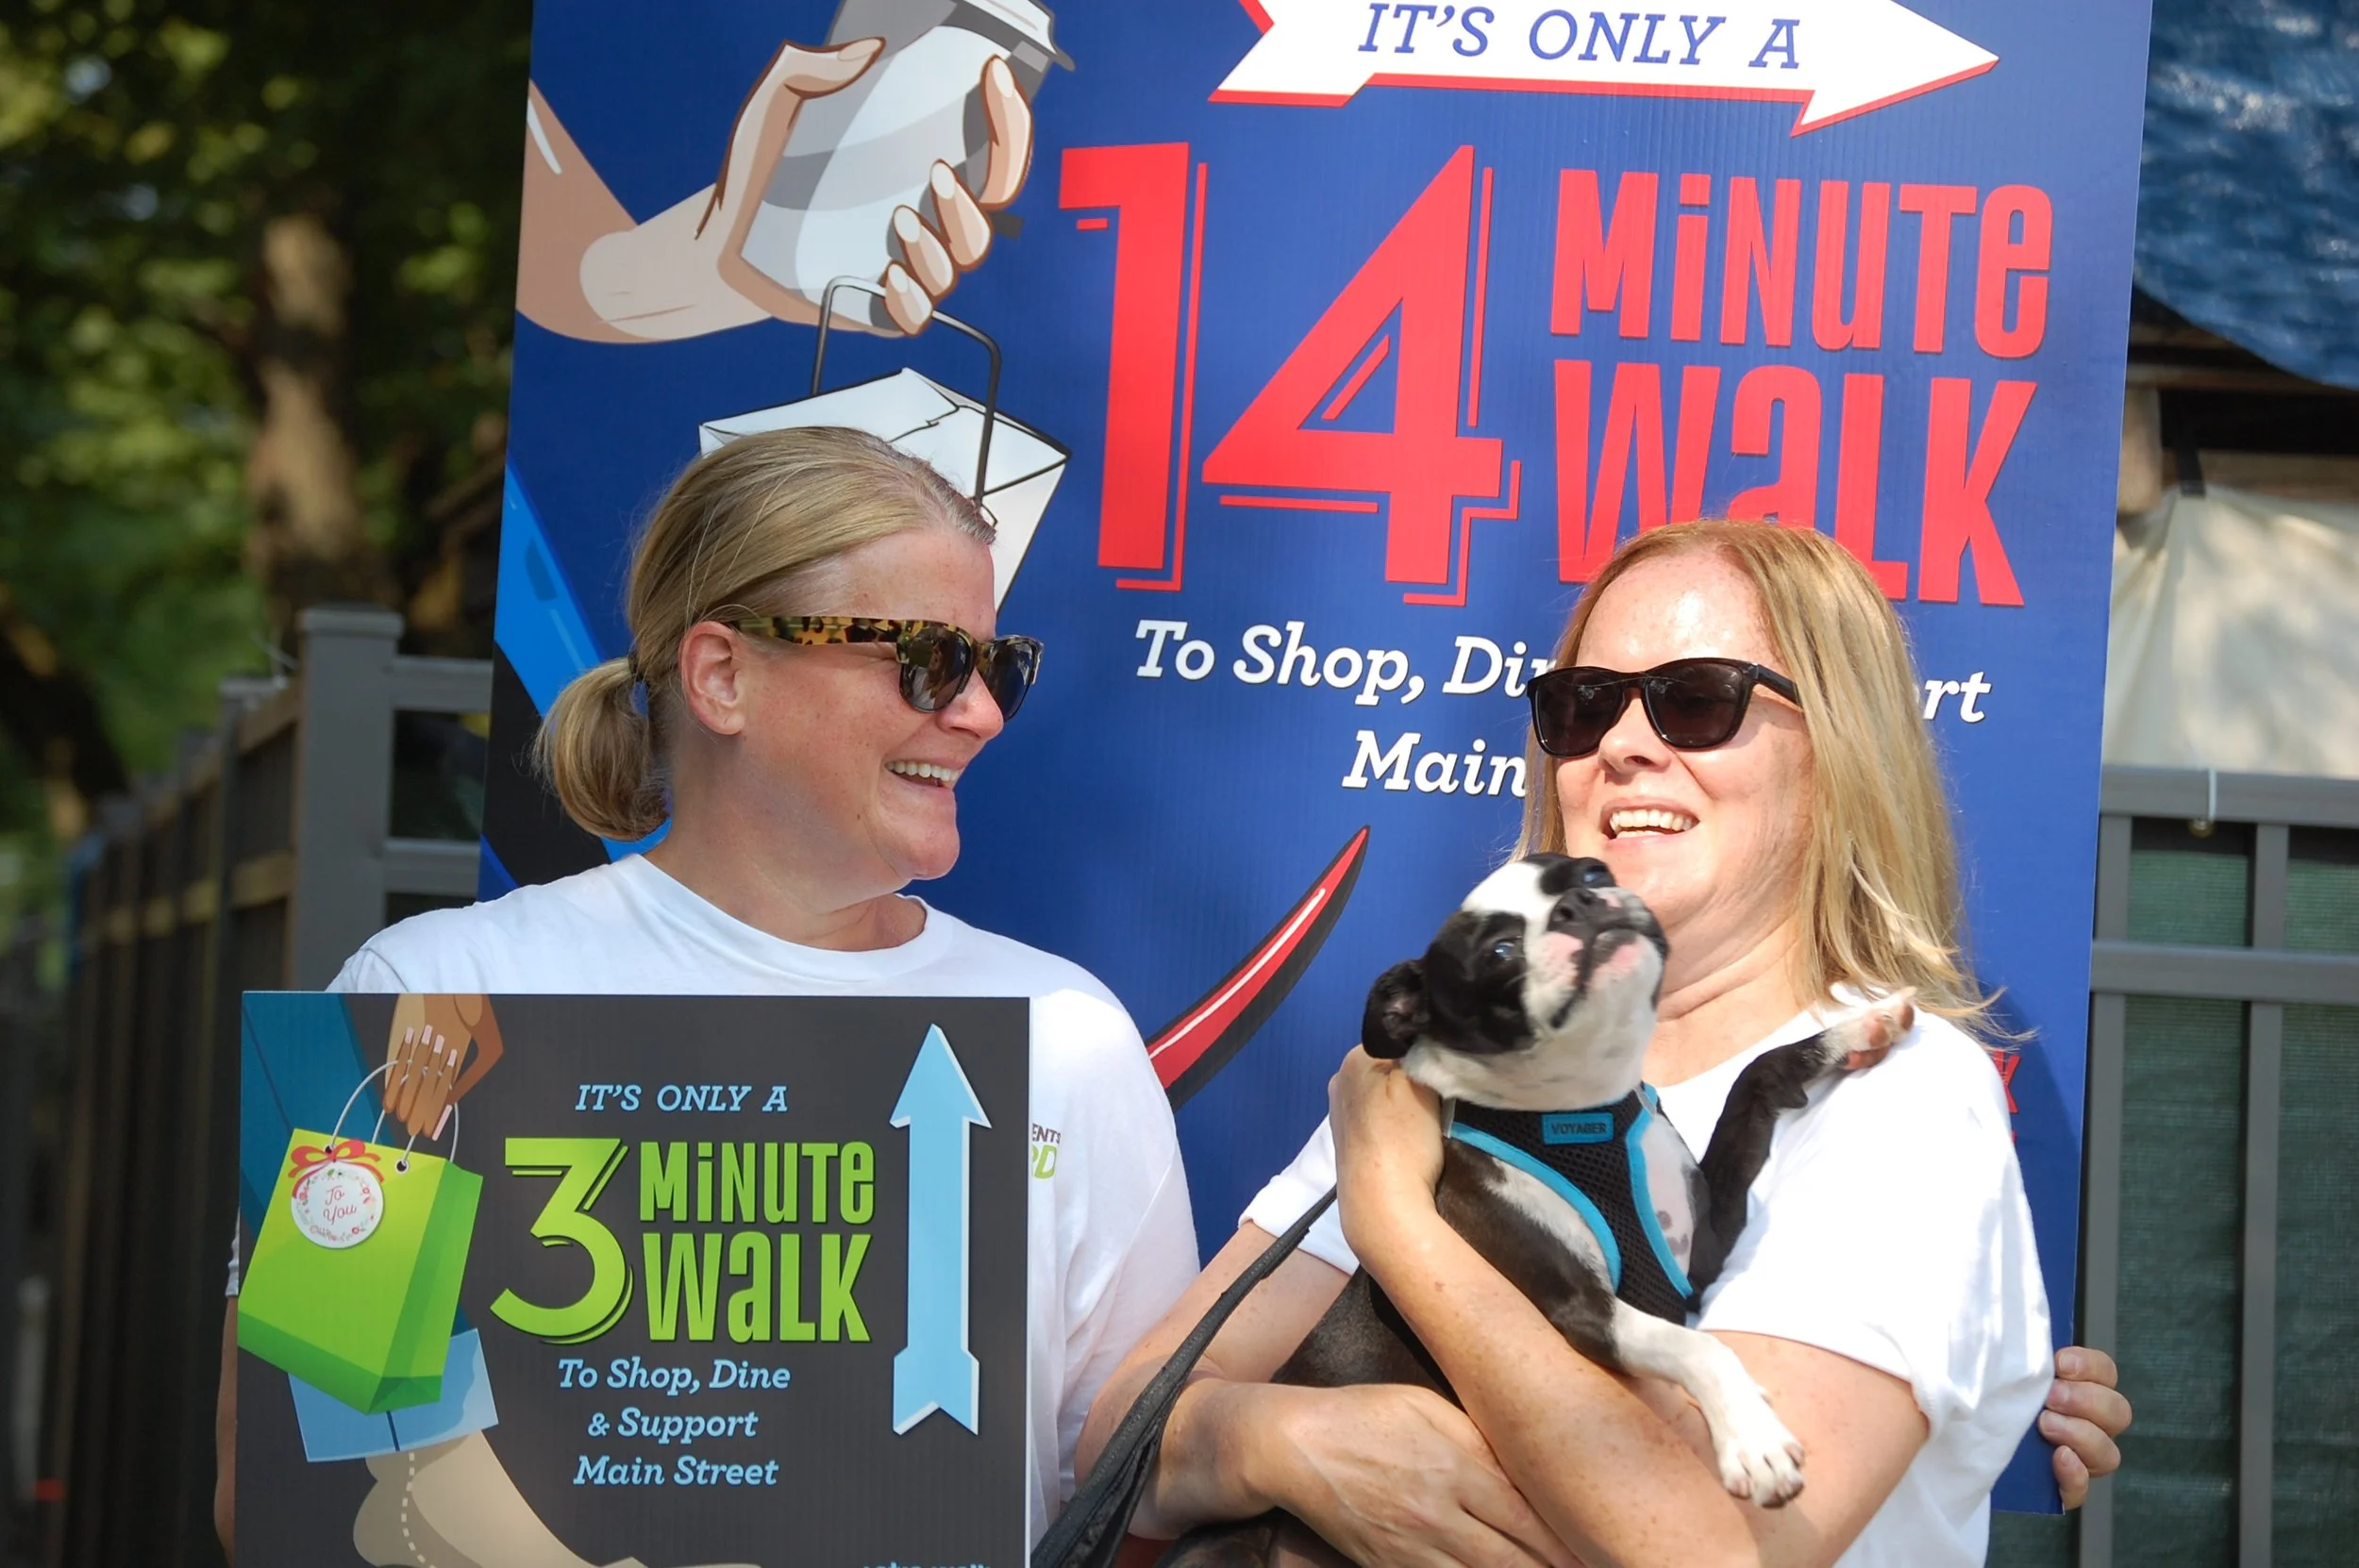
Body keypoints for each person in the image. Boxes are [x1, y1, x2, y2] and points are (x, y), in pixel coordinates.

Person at [217, 425, 1197, 1564]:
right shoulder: (422, 991)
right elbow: (295, 1487)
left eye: (999, 666)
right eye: (931, 660)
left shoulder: (1069, 1036)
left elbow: (1138, 1495)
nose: (978, 712)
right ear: (722, 674)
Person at [1079, 521, 2133, 1568]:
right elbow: (1117, 1439)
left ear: (1839, 745)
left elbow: (1708, 1544)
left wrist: (1397, 1221)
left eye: (1696, 700)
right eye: (1582, 708)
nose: (1625, 745)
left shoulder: (1897, 1094)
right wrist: (1289, 1442)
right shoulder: (1451, 1061)